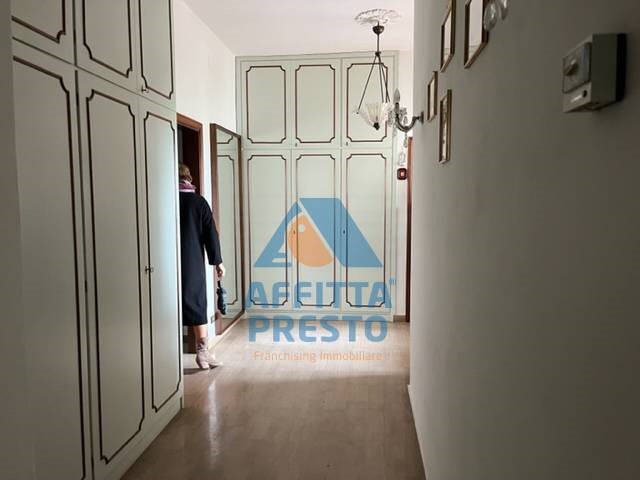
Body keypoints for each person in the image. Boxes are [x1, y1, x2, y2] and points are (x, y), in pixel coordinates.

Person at [178, 164, 225, 369]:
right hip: (192, 262)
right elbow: (210, 234)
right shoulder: (198, 202)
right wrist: (218, 262)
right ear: (189, 178)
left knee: (166, 305)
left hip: (161, 264)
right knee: (196, 302)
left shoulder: (162, 200)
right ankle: (202, 353)